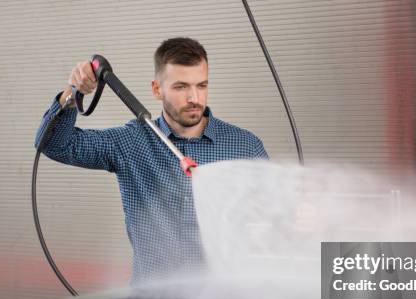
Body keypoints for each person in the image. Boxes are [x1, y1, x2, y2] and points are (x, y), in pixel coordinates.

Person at [34, 37, 269, 285]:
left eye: (201, 85)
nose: (194, 98)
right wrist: (73, 92)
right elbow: (54, 145)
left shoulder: (246, 147)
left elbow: (272, 219)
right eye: (181, 87)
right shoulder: (130, 142)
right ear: (157, 89)